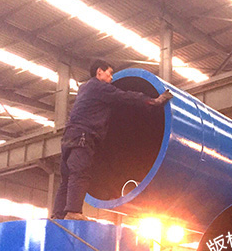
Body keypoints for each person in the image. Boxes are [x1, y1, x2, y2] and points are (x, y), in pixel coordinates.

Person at [51, 60, 173, 220]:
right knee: (80, 173)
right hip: (83, 136)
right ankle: (73, 211)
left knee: (66, 178)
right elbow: (125, 97)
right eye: (109, 73)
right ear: (99, 72)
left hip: (69, 138)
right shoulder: (99, 87)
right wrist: (153, 101)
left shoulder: (84, 89)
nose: (111, 78)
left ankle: (57, 216)